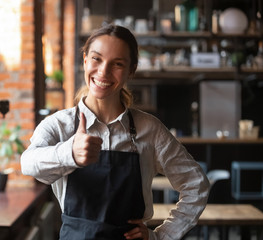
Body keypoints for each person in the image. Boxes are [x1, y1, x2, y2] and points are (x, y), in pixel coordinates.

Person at [21, 24, 210, 240]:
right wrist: (70, 153)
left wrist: (161, 235)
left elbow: (196, 184)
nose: (103, 71)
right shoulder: (60, 125)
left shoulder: (149, 129)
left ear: (131, 70)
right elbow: (28, 163)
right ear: (84, 60)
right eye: (96, 59)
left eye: (117, 64)